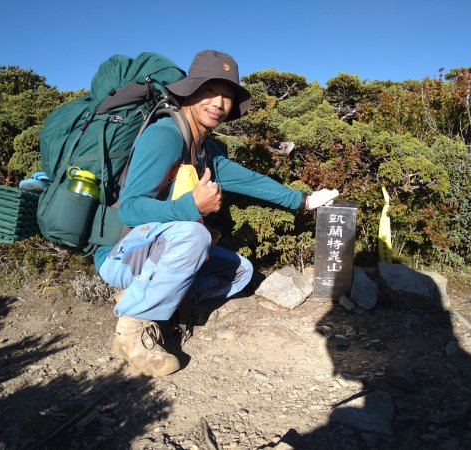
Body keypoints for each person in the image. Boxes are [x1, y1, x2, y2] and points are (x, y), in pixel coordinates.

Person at [95, 50, 339, 377]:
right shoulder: (165, 136)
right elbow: (131, 207)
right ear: (190, 93)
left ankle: (147, 298)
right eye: (210, 92)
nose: (219, 103)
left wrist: (304, 201)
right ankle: (132, 332)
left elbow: (249, 180)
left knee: (240, 271)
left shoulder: (205, 150)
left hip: (155, 254)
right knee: (196, 234)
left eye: (227, 96)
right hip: (121, 253)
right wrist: (192, 207)